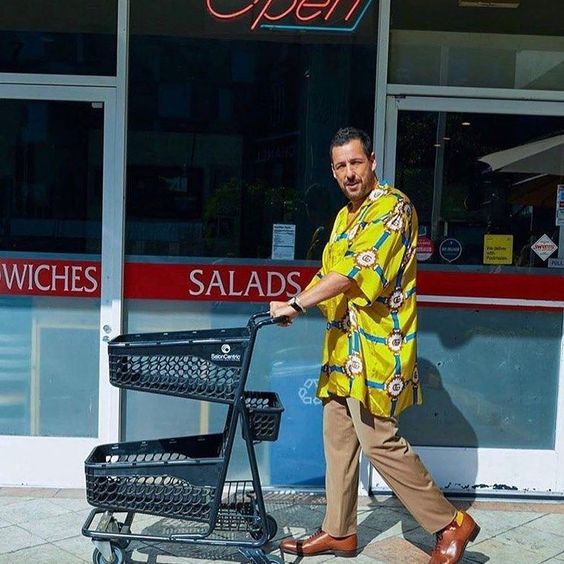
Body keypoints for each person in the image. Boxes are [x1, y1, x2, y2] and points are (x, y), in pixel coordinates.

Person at [269, 127, 479, 564]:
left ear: (373, 161)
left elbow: (354, 274)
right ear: (333, 170)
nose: (350, 172)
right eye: (341, 165)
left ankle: (449, 523)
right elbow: (330, 270)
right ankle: (339, 530)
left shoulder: (392, 208)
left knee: (380, 440)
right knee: (338, 438)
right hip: (343, 349)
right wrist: (298, 303)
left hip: (379, 350)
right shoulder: (345, 216)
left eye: (356, 162)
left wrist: (297, 303)